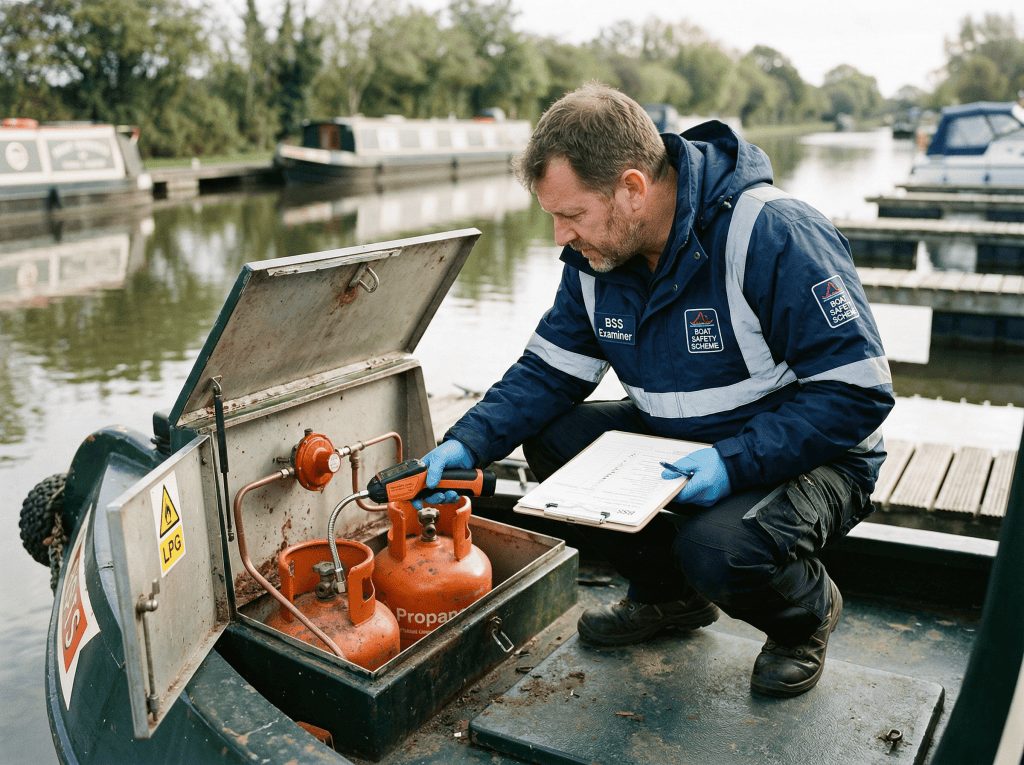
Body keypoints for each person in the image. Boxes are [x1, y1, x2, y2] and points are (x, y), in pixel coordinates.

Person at [418, 82, 894, 698]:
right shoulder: (596, 261)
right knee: (553, 442)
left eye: (572, 214)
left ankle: (805, 615)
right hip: (688, 438)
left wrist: (734, 460)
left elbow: (857, 392)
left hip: (815, 454)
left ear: (633, 188)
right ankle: (670, 600)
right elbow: (547, 373)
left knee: (717, 550)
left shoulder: (772, 232)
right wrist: (468, 443)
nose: (561, 236)